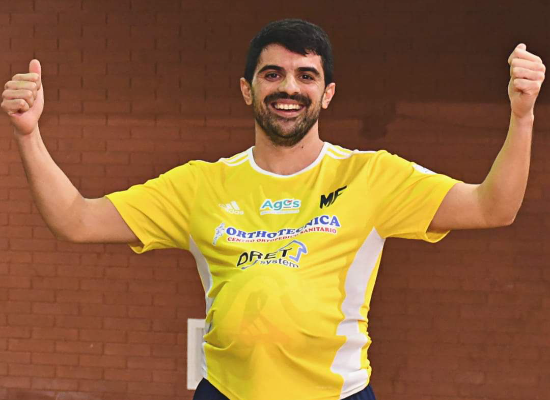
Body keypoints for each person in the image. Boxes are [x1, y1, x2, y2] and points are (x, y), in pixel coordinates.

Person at [1, 18, 545, 400]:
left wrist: (521, 118)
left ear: (327, 93)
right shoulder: (199, 184)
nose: (290, 88)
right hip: (225, 393)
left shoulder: (372, 176)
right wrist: (28, 135)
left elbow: (492, 207)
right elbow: (75, 219)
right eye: (273, 74)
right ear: (247, 89)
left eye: (306, 76)